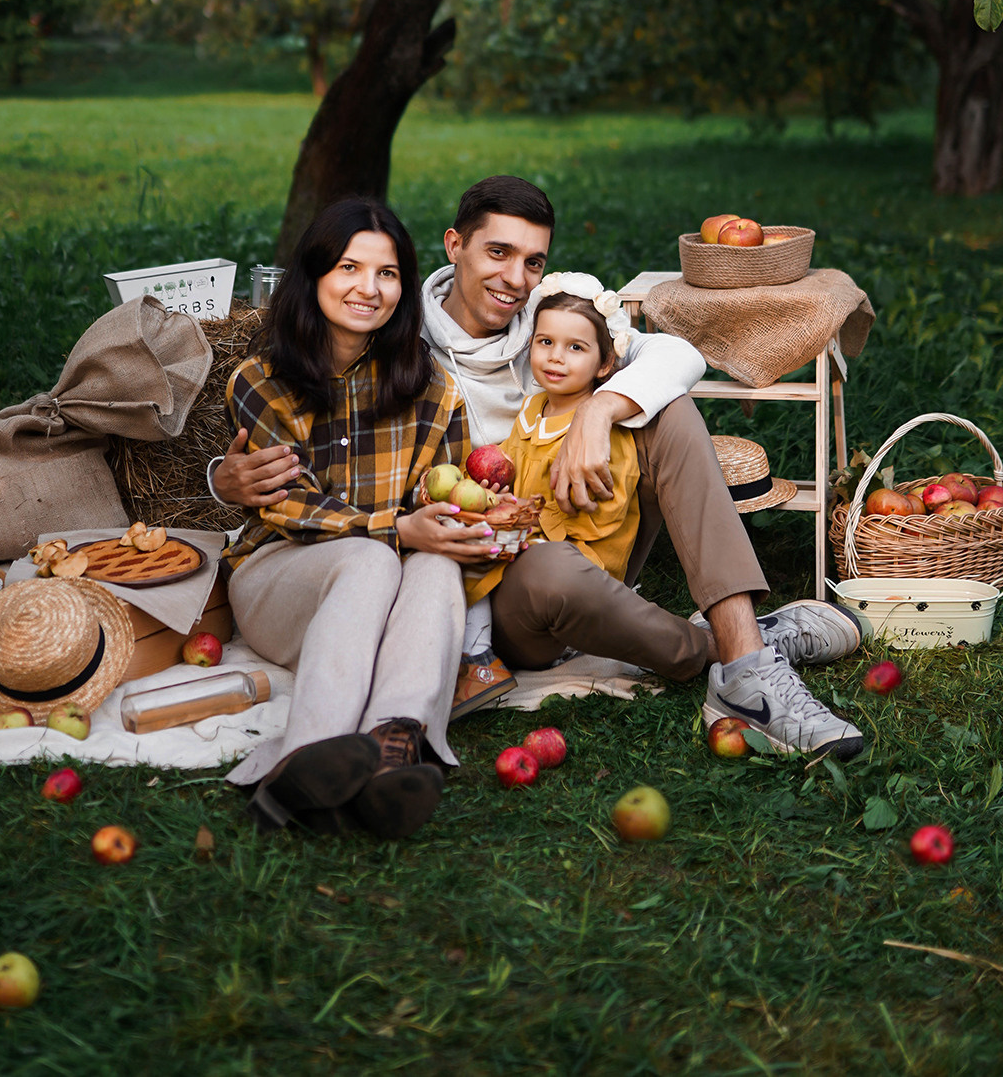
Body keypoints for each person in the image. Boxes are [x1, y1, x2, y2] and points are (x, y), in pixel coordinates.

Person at [213, 176, 866, 759]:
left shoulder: (548, 324)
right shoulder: (396, 333)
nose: (514, 279)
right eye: (497, 253)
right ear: (454, 246)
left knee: (667, 410)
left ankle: (745, 661)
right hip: (491, 582)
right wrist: (224, 475)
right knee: (549, 567)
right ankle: (742, 647)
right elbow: (320, 416)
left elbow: (676, 354)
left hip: (588, 520)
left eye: (533, 261)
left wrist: (598, 411)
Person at [219, 196, 498, 840]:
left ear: (405, 285)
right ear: (314, 275)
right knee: (377, 553)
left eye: (388, 272)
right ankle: (302, 758)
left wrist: (467, 523)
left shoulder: (432, 386)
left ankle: (392, 748)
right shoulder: (261, 381)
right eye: (349, 267)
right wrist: (396, 528)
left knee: (433, 562)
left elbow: (441, 499)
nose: (368, 289)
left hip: (393, 575)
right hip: (280, 577)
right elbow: (289, 507)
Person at [459, 277, 641, 677]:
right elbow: (510, 463)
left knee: (487, 561)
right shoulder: (533, 408)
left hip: (578, 567)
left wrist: (530, 525)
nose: (556, 358)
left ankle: (481, 654)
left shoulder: (602, 433)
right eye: (545, 343)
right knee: (464, 550)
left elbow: (604, 515)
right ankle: (473, 649)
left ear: (605, 362)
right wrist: (488, 491)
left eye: (576, 348)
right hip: (525, 541)